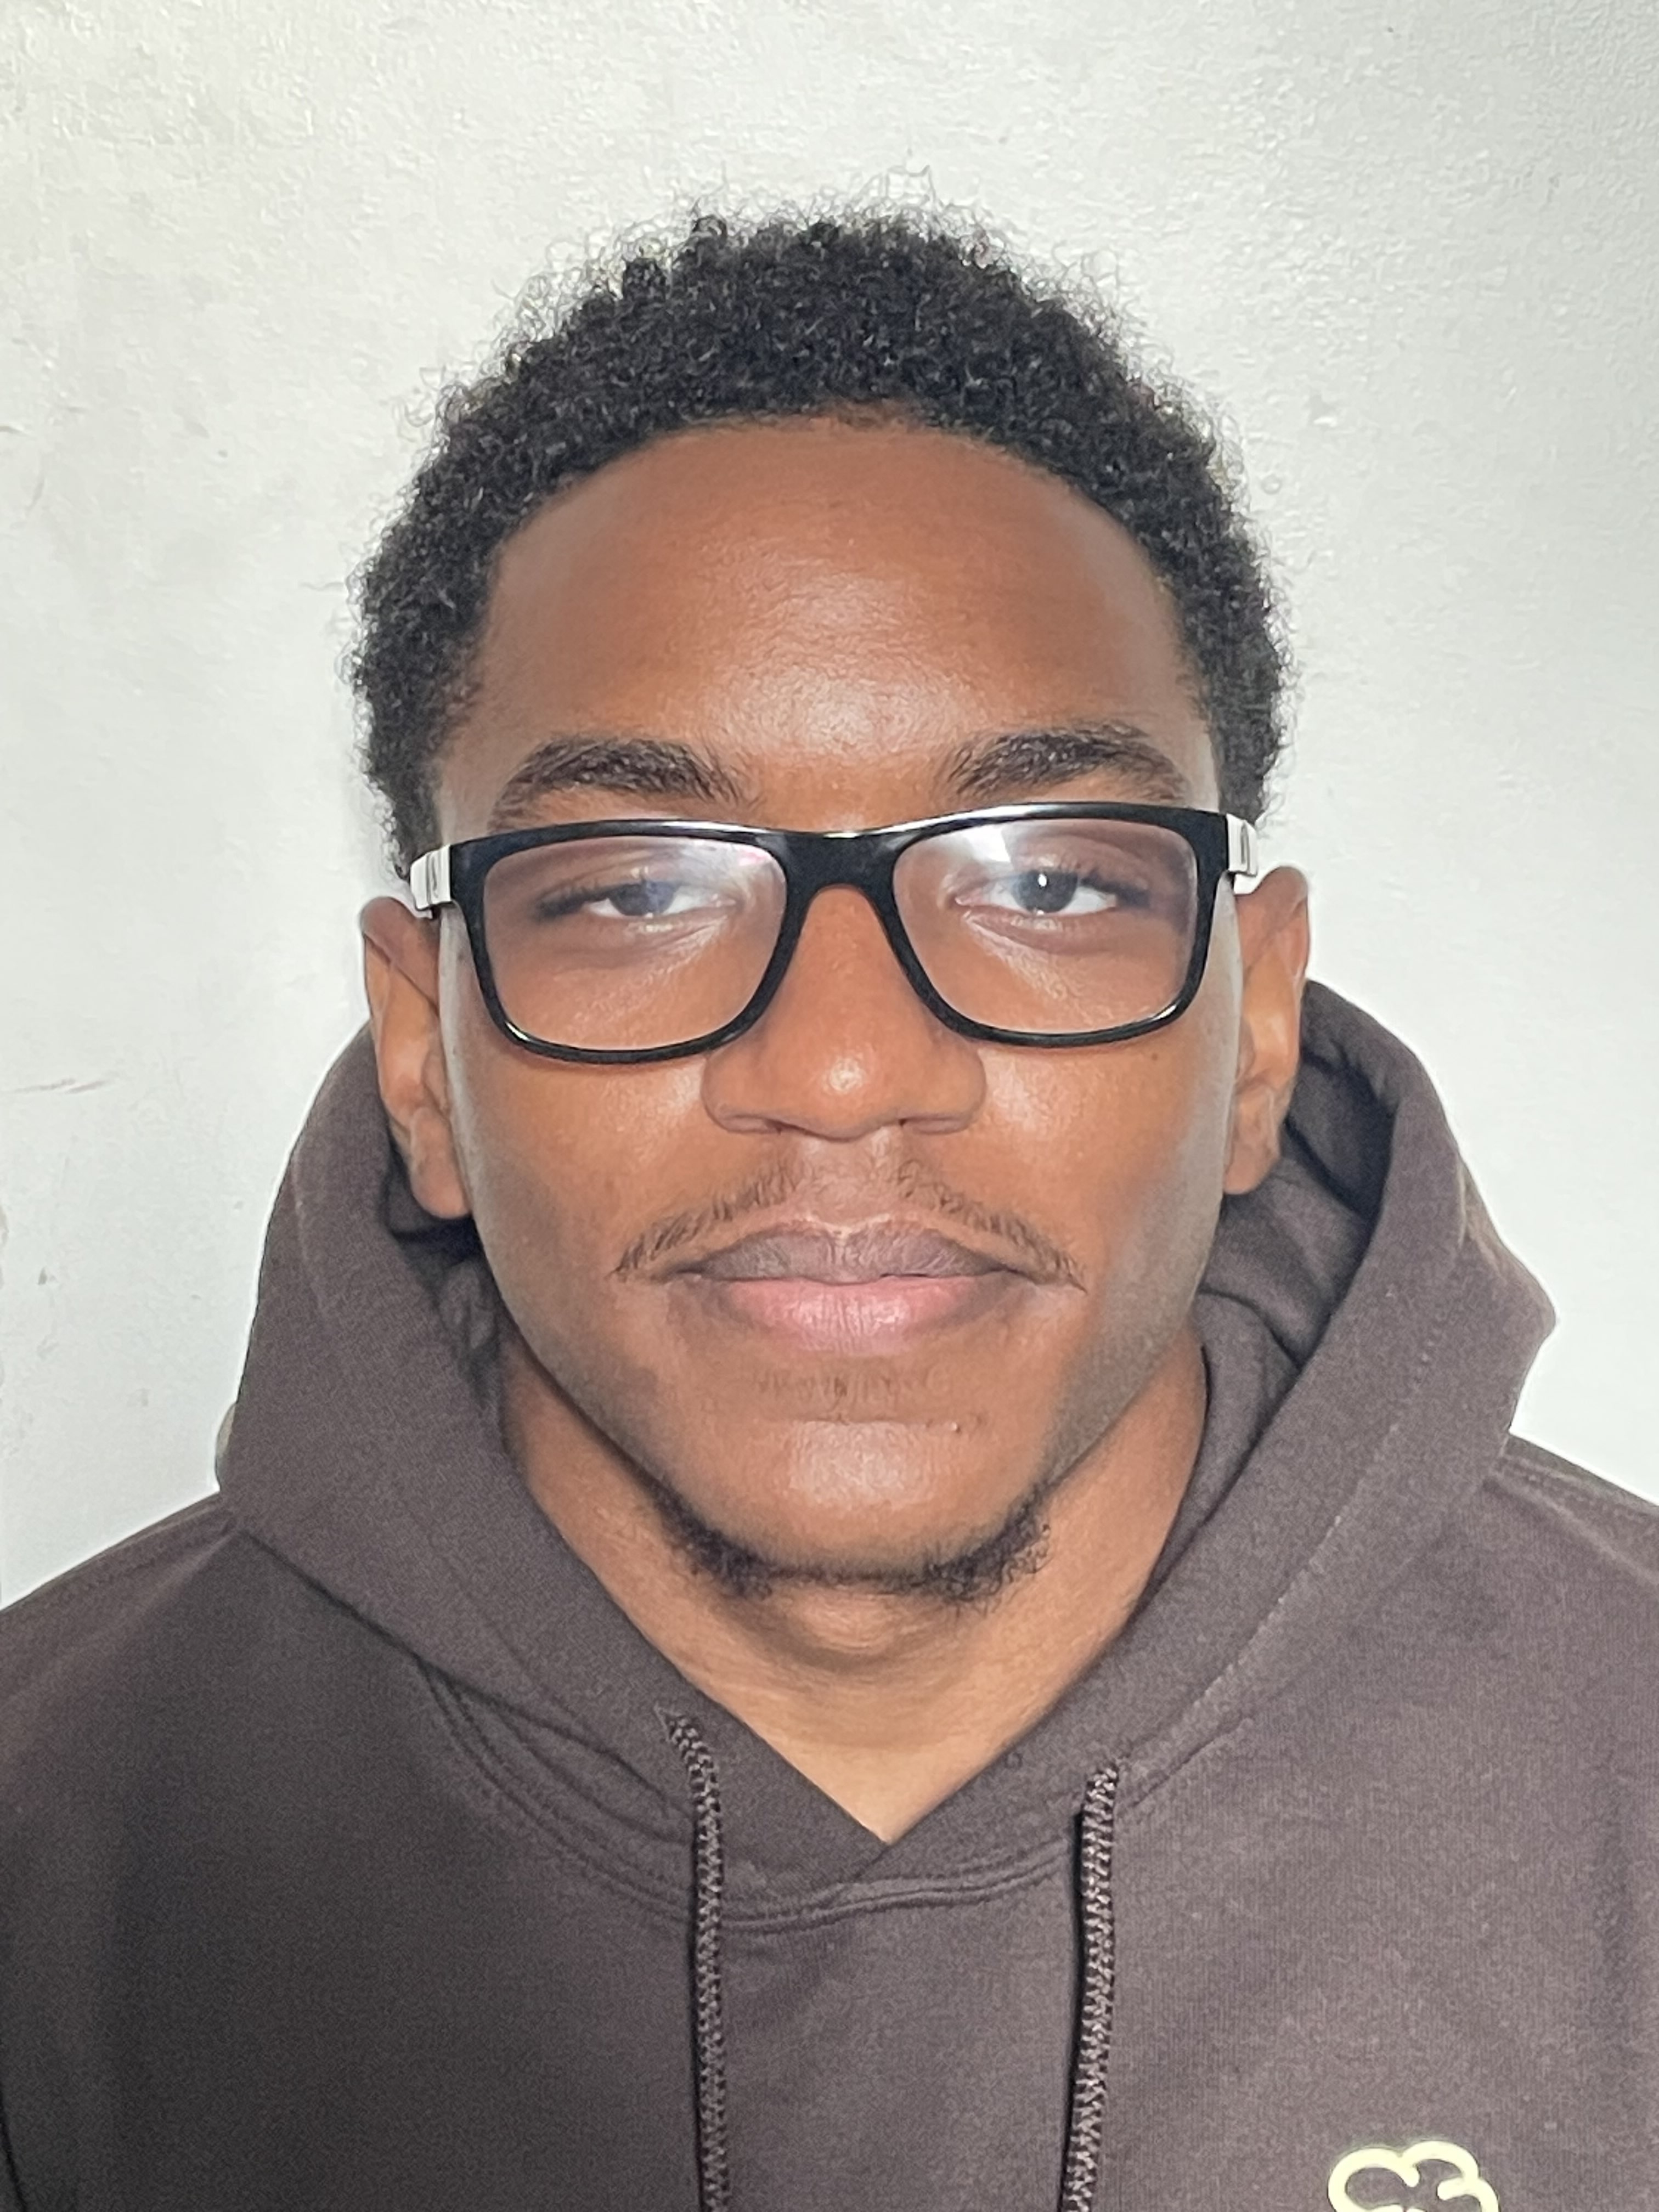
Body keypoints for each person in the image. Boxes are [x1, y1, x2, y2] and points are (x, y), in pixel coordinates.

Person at [0, 209, 1651, 2212]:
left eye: (1048, 880)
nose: (848, 1067)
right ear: (429, 1058)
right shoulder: (57, 1857)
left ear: (1259, 1032)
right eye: (639, 888)